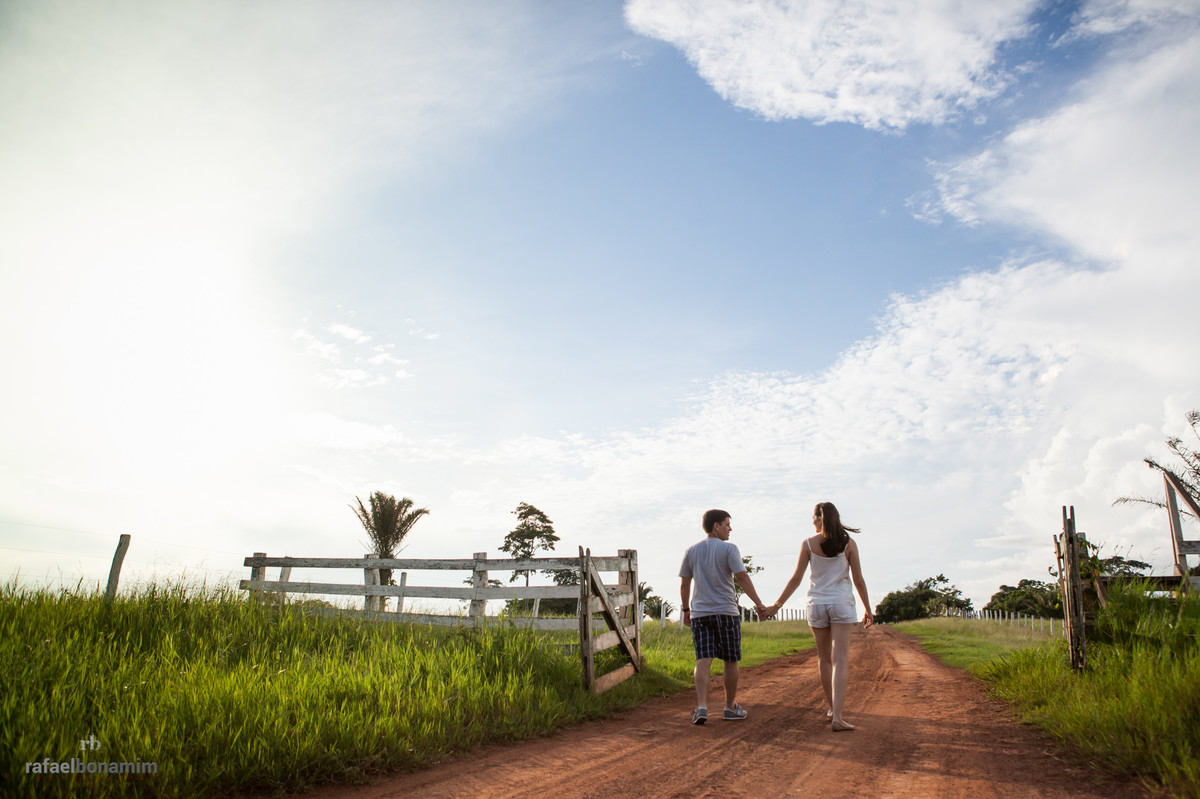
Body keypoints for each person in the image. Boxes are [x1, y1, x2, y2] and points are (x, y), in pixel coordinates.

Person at [767, 501, 872, 731]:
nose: (811, 521)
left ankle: (833, 709)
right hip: (841, 604)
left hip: (816, 604)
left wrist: (776, 606)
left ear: (818, 518)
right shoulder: (849, 543)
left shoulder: (808, 544)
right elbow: (859, 580)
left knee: (824, 660)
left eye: (812, 517)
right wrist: (868, 608)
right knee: (840, 660)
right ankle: (838, 717)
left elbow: (796, 579)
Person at [680, 509, 770, 725]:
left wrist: (686, 610)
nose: (730, 529)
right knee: (730, 659)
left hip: (701, 614)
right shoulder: (729, 549)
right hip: (726, 612)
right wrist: (759, 604)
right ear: (716, 526)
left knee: (703, 658)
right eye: (727, 524)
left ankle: (702, 706)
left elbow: (684, 583)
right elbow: (742, 577)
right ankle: (729, 707)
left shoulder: (691, 551)